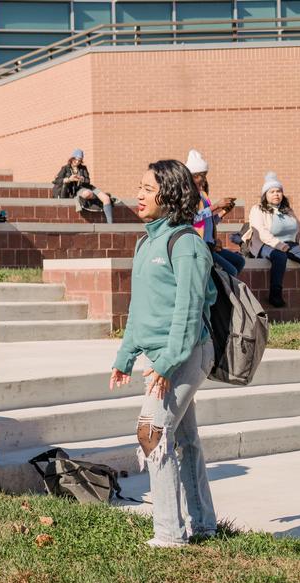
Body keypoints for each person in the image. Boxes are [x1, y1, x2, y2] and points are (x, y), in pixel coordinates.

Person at [110, 160, 217, 548]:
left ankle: (169, 534)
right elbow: (140, 308)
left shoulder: (186, 242)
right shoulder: (146, 241)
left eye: (147, 188)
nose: (138, 195)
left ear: (169, 193)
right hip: (161, 358)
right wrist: (125, 356)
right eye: (138, 187)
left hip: (186, 354)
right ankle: (204, 524)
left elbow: (189, 315)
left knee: (152, 432)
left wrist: (168, 365)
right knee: (184, 440)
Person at [245, 172, 300, 307]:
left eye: (278, 191)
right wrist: (279, 245)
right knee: (280, 257)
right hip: (266, 245)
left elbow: (299, 230)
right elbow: (261, 232)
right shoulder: (257, 209)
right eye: (272, 192)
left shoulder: (288, 210)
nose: (276, 194)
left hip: (290, 244)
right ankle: (275, 295)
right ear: (265, 195)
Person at [185, 150, 246, 277]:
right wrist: (216, 206)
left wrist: (223, 213)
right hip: (201, 246)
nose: (204, 179)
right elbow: (193, 219)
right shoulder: (189, 196)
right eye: (202, 175)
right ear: (194, 176)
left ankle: (221, 288)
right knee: (231, 270)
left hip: (211, 244)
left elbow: (208, 222)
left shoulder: (203, 196)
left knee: (239, 261)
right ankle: (220, 293)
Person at [51, 148, 117, 224]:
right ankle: (98, 200)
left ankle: (110, 224)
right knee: (87, 194)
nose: (77, 162)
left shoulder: (83, 168)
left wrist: (82, 179)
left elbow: (88, 181)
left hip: (88, 187)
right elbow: (56, 181)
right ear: (72, 158)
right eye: (76, 159)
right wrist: (69, 179)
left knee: (106, 198)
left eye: (79, 160)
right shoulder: (65, 168)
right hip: (78, 190)